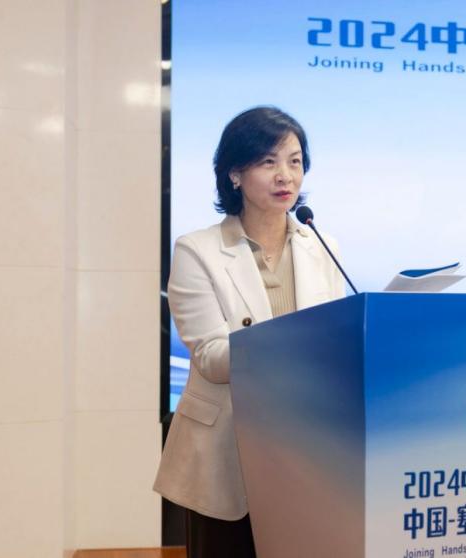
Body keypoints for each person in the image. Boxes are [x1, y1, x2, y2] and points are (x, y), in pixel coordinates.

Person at [153, 106, 346, 557]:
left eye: (295, 161)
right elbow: (211, 359)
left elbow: (336, 337)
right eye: (268, 162)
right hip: (228, 450)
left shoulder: (321, 245)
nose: (285, 176)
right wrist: (293, 343)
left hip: (305, 446)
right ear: (235, 174)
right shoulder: (197, 250)